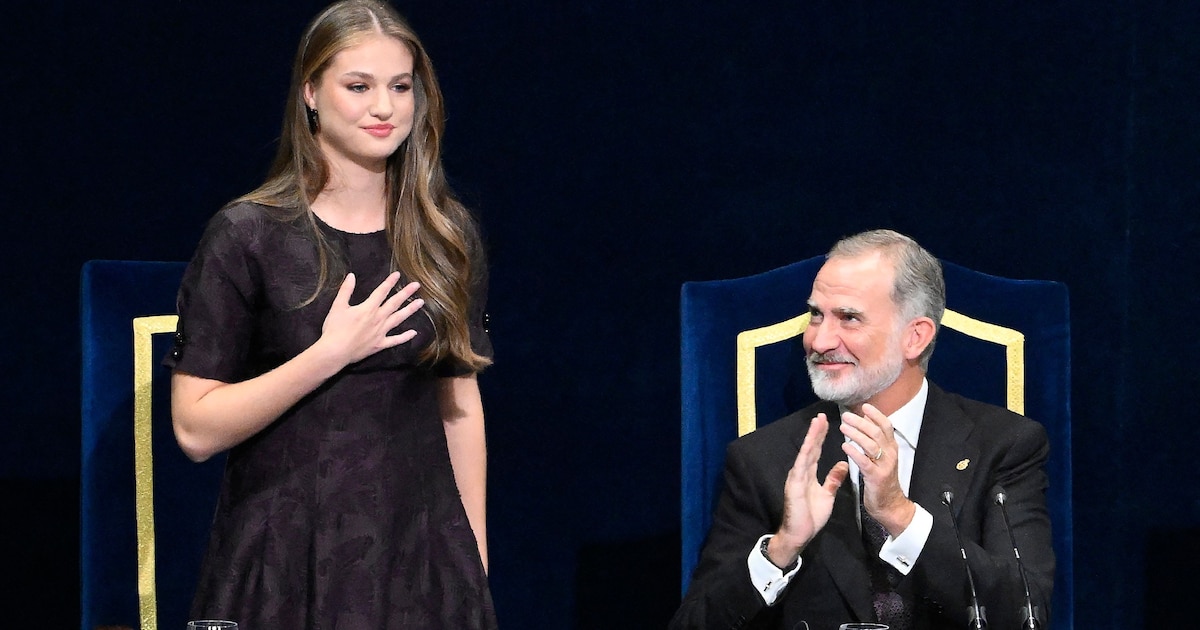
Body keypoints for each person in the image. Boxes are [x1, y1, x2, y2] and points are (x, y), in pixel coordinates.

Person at [164, 1, 497, 627]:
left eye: (401, 87)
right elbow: (194, 429)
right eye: (359, 86)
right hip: (284, 554)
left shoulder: (445, 236)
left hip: (418, 552)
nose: (384, 107)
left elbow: (460, 403)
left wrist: (471, 552)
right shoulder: (248, 234)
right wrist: (329, 354)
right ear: (312, 93)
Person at [671, 230, 1054, 630]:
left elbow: (1027, 615)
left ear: (915, 337)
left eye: (849, 318)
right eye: (816, 315)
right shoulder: (765, 458)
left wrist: (899, 516)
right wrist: (781, 549)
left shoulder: (1005, 445)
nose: (819, 340)